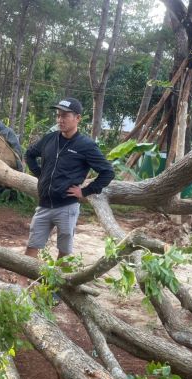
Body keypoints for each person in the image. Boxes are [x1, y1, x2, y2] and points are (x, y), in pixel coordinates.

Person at [25, 97, 115, 260]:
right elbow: (29, 154)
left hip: (66, 207)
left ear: (78, 118)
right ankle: (25, 284)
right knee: (32, 247)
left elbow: (107, 172)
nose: (60, 119)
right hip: (44, 206)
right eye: (58, 115)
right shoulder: (49, 139)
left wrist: (85, 191)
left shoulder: (86, 145)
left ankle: (60, 285)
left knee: (64, 253)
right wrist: (40, 174)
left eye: (65, 116)